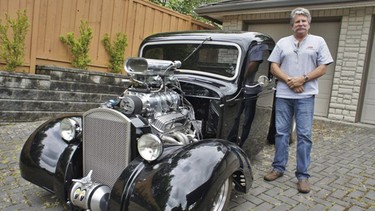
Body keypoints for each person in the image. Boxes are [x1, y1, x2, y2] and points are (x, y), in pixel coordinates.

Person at [264, 7, 333, 193]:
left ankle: (302, 176)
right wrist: (289, 80)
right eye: (297, 21)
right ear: (292, 25)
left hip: (305, 96)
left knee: (304, 136)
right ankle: (278, 168)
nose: (300, 24)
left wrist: (302, 79)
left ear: (309, 24)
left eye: (304, 21)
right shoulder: (283, 43)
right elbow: (273, 67)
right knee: (281, 133)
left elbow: (323, 67)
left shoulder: (318, 41)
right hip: (284, 95)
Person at [228, 42, 268, 147]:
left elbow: (254, 65)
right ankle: (231, 138)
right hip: (236, 85)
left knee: (246, 119)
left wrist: (240, 79)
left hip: (248, 86)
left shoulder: (258, 46)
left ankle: (242, 143)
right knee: (235, 117)